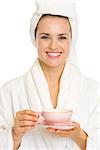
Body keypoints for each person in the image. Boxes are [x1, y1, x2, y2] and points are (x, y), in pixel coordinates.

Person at [0, 0, 100, 149]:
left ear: (72, 40)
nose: (53, 46)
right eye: (45, 37)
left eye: (62, 37)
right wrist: (15, 133)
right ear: (35, 39)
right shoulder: (10, 91)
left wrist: (79, 136)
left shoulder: (93, 90)